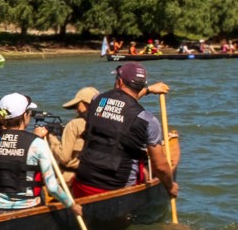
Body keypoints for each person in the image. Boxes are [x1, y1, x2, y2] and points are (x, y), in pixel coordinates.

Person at [70, 62, 178, 199]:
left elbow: (120, 103)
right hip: (118, 189)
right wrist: (170, 186)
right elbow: (161, 167)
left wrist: (148, 90)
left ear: (119, 81)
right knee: (145, 166)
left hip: (83, 184)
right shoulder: (148, 120)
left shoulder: (97, 101)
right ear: (141, 85)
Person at [0, 92, 81, 219]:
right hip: (28, 208)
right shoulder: (37, 144)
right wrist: (71, 205)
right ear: (25, 116)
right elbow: (52, 188)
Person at [49, 86, 98, 183]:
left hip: (71, 178)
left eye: (77, 106)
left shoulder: (73, 125)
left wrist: (52, 139)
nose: (76, 110)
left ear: (86, 104)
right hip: (95, 175)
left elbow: (64, 157)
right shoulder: (106, 122)